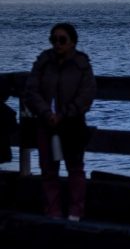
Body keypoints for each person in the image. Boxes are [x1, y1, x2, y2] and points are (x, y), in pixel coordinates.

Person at [24, 22, 96, 220]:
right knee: (48, 170)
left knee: (75, 168)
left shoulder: (81, 63)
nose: (57, 44)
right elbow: (31, 90)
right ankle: (52, 212)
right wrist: (47, 113)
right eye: (53, 39)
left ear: (72, 42)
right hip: (46, 123)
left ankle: (75, 212)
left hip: (72, 123)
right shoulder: (43, 61)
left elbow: (87, 93)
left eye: (62, 40)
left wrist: (65, 113)